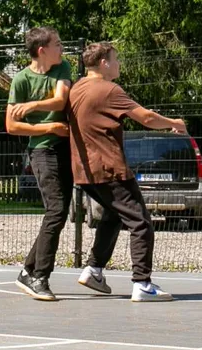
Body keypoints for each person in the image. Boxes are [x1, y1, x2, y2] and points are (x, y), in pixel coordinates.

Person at [68, 41, 187, 302]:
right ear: (104, 63)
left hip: (84, 171)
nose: (119, 63)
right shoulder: (109, 90)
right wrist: (173, 123)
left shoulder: (76, 88)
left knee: (113, 214)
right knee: (141, 222)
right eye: (116, 58)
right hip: (109, 168)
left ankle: (94, 269)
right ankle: (142, 284)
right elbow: (146, 118)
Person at [7, 28, 74, 302]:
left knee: (58, 213)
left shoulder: (62, 67)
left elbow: (61, 100)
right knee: (56, 211)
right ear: (42, 50)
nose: (62, 49)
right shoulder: (20, 80)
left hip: (65, 149)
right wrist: (50, 128)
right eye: (57, 44)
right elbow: (12, 126)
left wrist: (34, 106)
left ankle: (28, 271)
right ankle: (39, 277)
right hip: (42, 151)